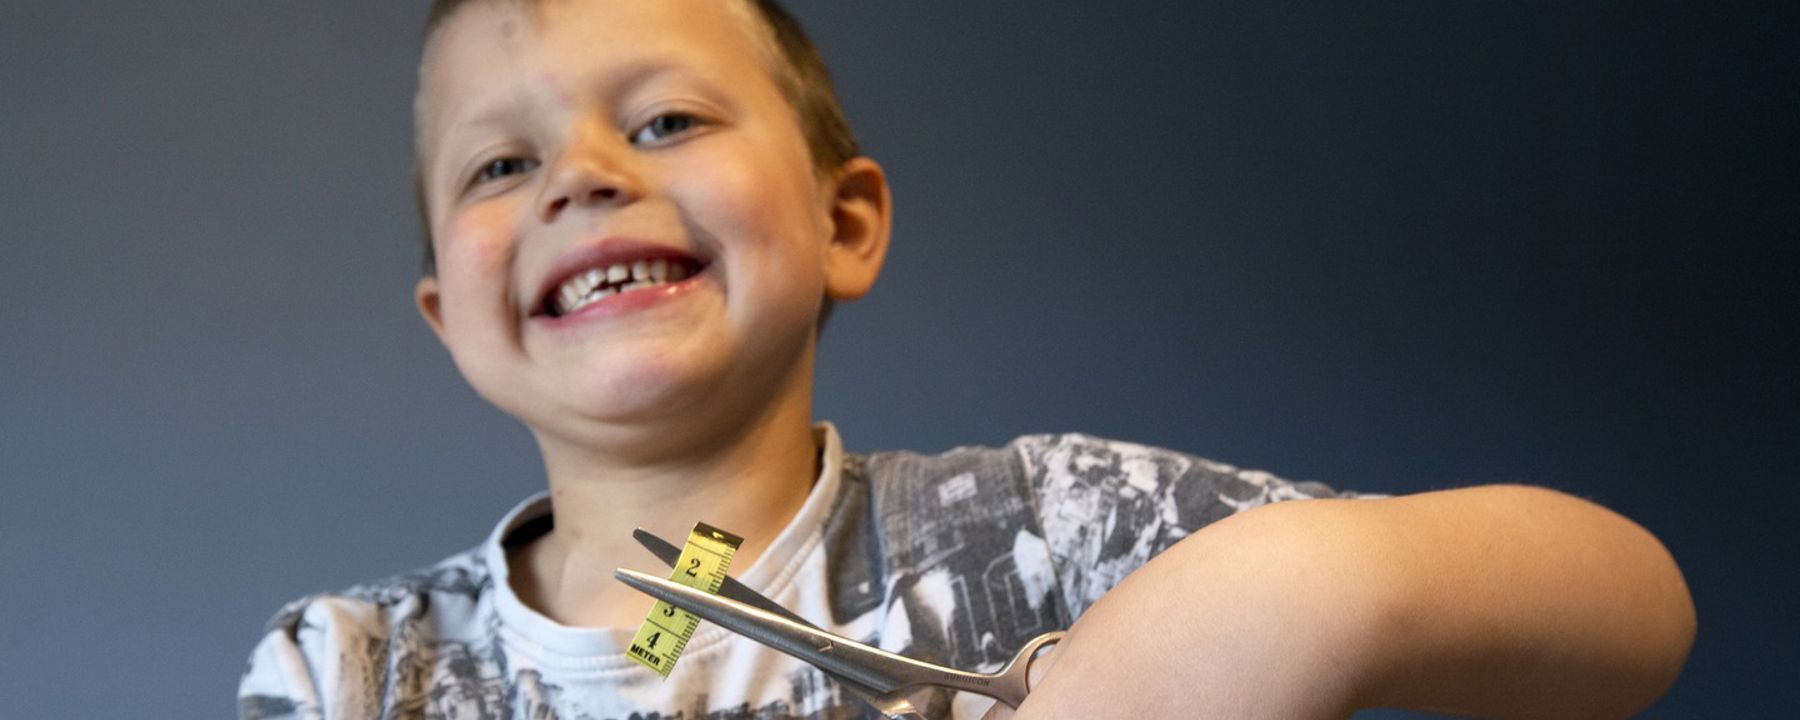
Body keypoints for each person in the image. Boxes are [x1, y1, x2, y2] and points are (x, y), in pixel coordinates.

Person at [238, 1, 1696, 718]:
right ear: (447, 314)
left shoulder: (1049, 532)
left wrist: (1303, 589)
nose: (582, 176)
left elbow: (1639, 610)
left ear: (844, 222)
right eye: (499, 164)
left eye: (667, 120)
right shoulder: (351, 669)